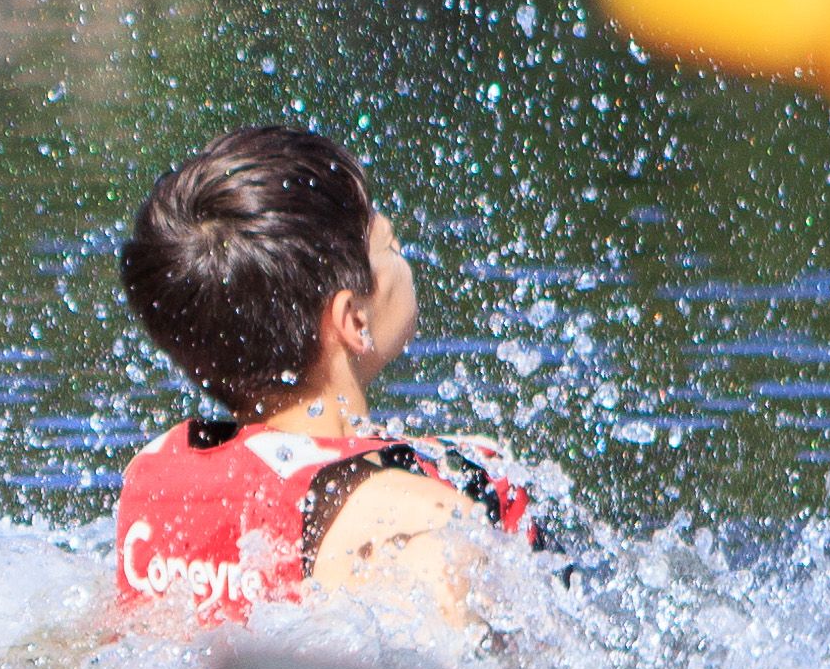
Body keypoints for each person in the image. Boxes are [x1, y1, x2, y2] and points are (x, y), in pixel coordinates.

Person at [112, 120, 540, 642]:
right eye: (391, 248)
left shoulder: (156, 479)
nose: (403, 263)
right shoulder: (422, 521)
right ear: (354, 318)